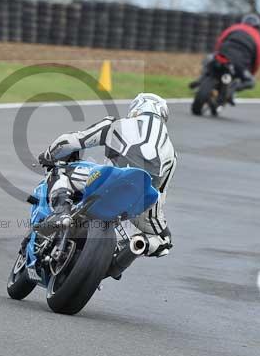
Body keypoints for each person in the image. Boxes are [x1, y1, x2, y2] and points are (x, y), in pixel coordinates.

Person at [37, 93, 176, 259]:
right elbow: (159, 195)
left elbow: (74, 141)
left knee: (61, 172)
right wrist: (160, 231)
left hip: (112, 178)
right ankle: (129, 250)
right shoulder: (172, 154)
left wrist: (49, 155)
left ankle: (60, 213)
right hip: (141, 198)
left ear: (136, 109)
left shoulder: (117, 123)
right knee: (164, 241)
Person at [190, 14, 260, 103]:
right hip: (240, 64)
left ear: (244, 22)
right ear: (257, 26)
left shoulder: (234, 27)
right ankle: (233, 89)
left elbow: (220, 40)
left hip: (222, 55)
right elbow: (258, 59)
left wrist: (218, 53)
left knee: (209, 60)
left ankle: (200, 80)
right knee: (251, 82)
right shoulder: (258, 36)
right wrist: (251, 73)